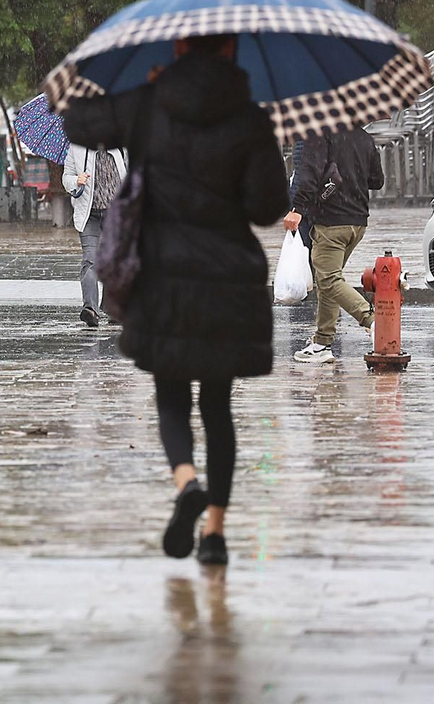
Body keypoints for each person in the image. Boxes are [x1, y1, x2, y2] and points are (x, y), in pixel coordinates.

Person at [64, 33, 288, 566]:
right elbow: (267, 208)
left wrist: (138, 91)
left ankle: (187, 482)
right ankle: (214, 533)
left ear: (179, 49)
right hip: (229, 276)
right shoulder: (250, 118)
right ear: (232, 52)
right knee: (218, 406)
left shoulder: (148, 106)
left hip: (163, 272)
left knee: (171, 394)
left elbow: (78, 125)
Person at [287, 126, 384, 364]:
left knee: (329, 279)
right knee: (328, 281)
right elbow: (377, 180)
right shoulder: (364, 137)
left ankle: (374, 321)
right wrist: (350, 172)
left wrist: (297, 209)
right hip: (357, 222)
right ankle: (322, 343)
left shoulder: (319, 133)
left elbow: (309, 174)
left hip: (331, 221)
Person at [63, 141, 128, 327]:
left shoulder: (122, 148)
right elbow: (66, 176)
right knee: (90, 260)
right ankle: (90, 309)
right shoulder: (77, 148)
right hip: (89, 215)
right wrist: (76, 180)